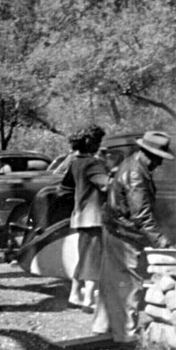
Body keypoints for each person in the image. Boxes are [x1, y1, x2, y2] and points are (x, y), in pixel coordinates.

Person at [92, 131, 176, 343]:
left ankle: (103, 327)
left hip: (115, 228)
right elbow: (141, 215)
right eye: (158, 158)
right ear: (149, 154)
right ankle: (126, 334)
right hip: (125, 233)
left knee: (111, 280)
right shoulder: (136, 174)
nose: (159, 163)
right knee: (129, 283)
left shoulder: (132, 163)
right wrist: (162, 242)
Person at [63, 126, 110, 312]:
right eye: (98, 141)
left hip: (80, 216)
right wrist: (113, 171)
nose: (99, 145)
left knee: (83, 257)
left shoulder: (75, 162)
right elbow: (105, 186)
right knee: (93, 259)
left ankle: (74, 294)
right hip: (95, 217)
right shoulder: (93, 163)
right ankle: (88, 299)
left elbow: (65, 187)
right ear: (90, 142)